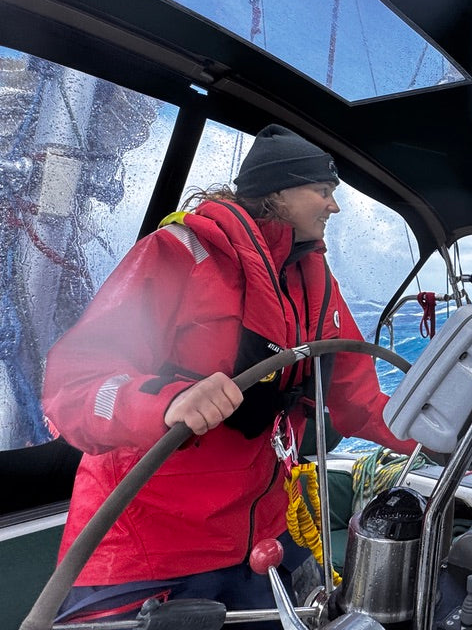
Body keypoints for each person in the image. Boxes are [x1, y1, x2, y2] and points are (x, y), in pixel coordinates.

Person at [42, 124, 418, 622]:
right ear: (278, 192)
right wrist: (166, 403)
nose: (334, 207)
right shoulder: (177, 254)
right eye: (322, 192)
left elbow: (360, 402)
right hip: (150, 549)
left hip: (264, 539)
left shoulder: (315, 282)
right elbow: (72, 387)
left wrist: (437, 436)